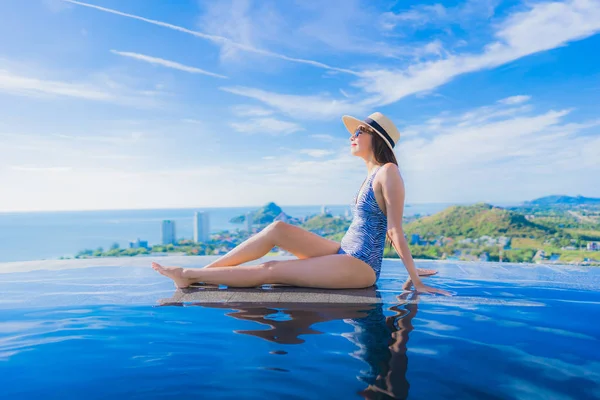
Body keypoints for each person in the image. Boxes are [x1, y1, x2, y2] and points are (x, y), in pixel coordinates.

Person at [152, 112, 450, 296]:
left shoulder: (389, 172)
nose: (352, 136)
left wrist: (414, 277)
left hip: (360, 267)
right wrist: (415, 269)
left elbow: (394, 229)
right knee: (277, 228)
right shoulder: (371, 174)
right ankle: (203, 272)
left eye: (359, 131)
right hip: (344, 251)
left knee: (272, 269)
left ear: (376, 138)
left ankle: (189, 275)